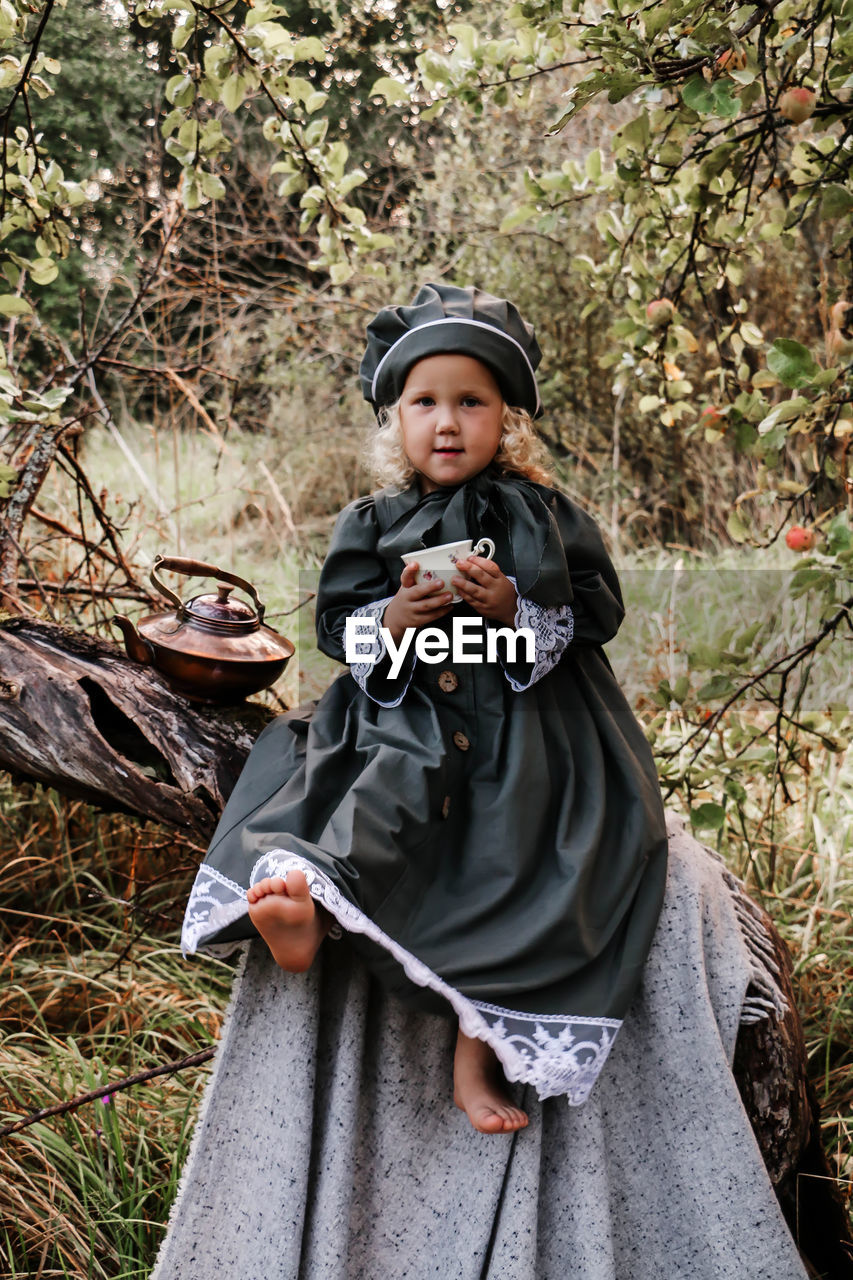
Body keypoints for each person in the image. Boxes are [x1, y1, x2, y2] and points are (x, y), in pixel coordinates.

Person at [180, 282, 669, 1135]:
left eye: (470, 402)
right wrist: (392, 619)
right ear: (396, 420)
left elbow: (596, 609)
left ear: (505, 420)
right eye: (425, 403)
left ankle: (476, 1050)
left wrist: (514, 608)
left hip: (528, 718)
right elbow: (339, 624)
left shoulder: (541, 512)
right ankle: (303, 904)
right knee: (376, 790)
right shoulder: (372, 520)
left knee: (523, 848)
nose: (447, 423)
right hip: (406, 707)